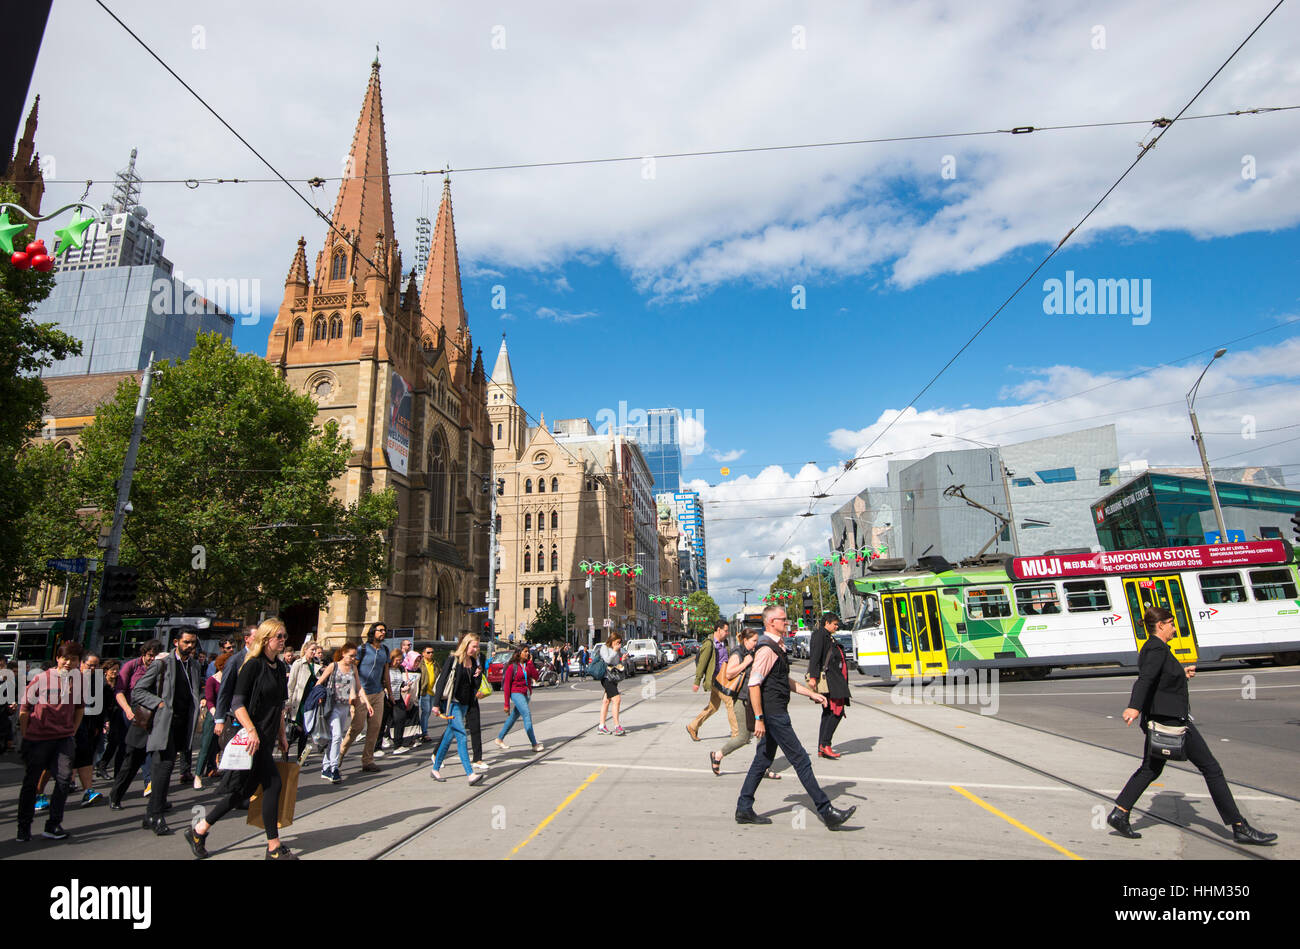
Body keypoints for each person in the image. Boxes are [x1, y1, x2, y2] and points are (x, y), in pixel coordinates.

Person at [1107, 607, 1277, 845]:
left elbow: (1160, 678)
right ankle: (1239, 826)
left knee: (1151, 769)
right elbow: (1145, 679)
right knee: (1211, 768)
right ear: (1162, 625)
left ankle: (1120, 812)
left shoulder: (1153, 647)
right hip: (1171, 721)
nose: (1175, 629)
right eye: (1172, 624)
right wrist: (1133, 707)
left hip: (1163, 718)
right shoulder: (1156, 648)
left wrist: (1181, 673)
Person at [735, 605, 855, 830]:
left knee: (762, 760)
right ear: (771, 623)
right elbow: (753, 685)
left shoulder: (776, 647)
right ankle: (826, 811)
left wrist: (811, 693)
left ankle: (744, 807)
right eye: (783, 619)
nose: (787, 621)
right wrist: (759, 718)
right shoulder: (766, 649)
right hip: (774, 715)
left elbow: (783, 680)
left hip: (776, 711)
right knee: (801, 759)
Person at [186, 617, 296, 860]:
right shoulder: (252, 665)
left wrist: (281, 735)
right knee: (273, 784)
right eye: (279, 637)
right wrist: (252, 730)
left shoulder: (279, 668)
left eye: (285, 637)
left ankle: (199, 829)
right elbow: (237, 703)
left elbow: (278, 705)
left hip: (266, 736)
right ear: (266, 639)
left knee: (243, 791)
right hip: (250, 737)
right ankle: (273, 847)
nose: (284, 641)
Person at [127, 627, 202, 835]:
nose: (190, 646)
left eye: (193, 643)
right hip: (164, 724)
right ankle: (155, 814)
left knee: (166, 767)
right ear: (176, 642)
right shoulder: (162, 663)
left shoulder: (194, 666)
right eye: (186, 642)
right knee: (164, 767)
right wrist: (159, 703)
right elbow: (138, 691)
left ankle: (150, 813)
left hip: (182, 724)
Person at [15, 641, 86, 842]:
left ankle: (53, 824)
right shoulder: (41, 678)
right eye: (65, 658)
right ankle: (24, 826)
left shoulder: (79, 680)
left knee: (64, 781)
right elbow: (24, 708)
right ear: (58, 658)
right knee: (31, 783)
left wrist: (72, 730)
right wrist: (25, 734)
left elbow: (80, 708)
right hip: (38, 739)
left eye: (74, 659)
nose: (69, 662)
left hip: (63, 739)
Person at [708, 627, 780, 780]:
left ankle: (764, 767)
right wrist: (745, 662)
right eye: (754, 641)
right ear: (745, 640)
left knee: (762, 735)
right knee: (743, 737)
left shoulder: (752, 652)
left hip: (755, 699)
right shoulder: (738, 653)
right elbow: (729, 673)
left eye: (757, 641)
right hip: (742, 700)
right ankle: (718, 755)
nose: (756, 644)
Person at [107, 639, 163, 804]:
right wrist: (127, 710)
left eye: (155, 656)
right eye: (150, 656)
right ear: (144, 654)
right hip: (135, 713)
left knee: (154, 756)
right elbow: (120, 691)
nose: (152, 659)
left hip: (154, 716)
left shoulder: (160, 667)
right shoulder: (131, 666)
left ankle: (151, 789)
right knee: (130, 755)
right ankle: (115, 795)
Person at [429, 632, 485, 785]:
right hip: (453, 703)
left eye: (477, 646)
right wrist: (435, 704)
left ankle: (435, 768)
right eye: (474, 646)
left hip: (465, 703)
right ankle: (470, 773)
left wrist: (478, 676)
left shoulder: (473, 662)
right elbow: (442, 682)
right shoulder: (453, 659)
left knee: (448, 736)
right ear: (466, 645)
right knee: (461, 736)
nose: (476, 649)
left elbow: (474, 686)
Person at [339, 622, 390, 772]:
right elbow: (353, 669)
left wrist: (390, 693)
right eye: (380, 630)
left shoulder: (385, 650)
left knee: (375, 728)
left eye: (384, 630)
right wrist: (352, 691)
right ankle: (339, 754)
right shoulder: (362, 649)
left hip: (378, 693)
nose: (383, 633)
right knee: (357, 727)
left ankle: (367, 760)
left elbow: (385, 672)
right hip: (362, 694)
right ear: (373, 632)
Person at [315, 642, 364, 783]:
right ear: (343, 653)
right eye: (351, 655)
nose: (353, 658)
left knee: (333, 738)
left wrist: (365, 702)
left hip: (345, 707)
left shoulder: (353, 668)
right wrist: (318, 697)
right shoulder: (333, 666)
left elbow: (358, 686)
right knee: (337, 737)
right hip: (332, 705)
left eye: (355, 656)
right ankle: (334, 768)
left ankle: (325, 767)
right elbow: (319, 683)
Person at [806, 612, 851, 759]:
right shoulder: (820, 635)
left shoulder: (827, 635)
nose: (837, 627)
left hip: (834, 679)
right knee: (835, 711)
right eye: (835, 624)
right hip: (830, 680)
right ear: (827, 623)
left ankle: (822, 746)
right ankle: (825, 745)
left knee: (828, 712)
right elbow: (815, 657)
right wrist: (813, 677)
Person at [686, 619, 738, 742]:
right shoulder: (709, 644)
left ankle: (693, 726)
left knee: (713, 707)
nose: (727, 633)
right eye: (725, 631)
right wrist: (697, 682)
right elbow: (702, 664)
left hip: (724, 678)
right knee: (730, 702)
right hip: (715, 679)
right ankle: (736, 734)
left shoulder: (724, 643)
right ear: (718, 630)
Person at [495, 646, 543, 752]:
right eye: (525, 652)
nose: (527, 654)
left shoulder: (527, 665)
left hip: (526, 694)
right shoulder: (512, 667)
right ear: (519, 653)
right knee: (526, 714)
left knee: (513, 717)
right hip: (516, 693)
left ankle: (500, 738)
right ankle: (534, 743)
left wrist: (530, 663)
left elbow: (536, 677)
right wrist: (506, 704)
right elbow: (507, 685)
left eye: (528, 652)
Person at [195, 651, 231, 782]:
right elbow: (209, 700)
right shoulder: (212, 680)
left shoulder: (231, 680)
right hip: (213, 716)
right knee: (206, 746)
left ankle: (215, 769)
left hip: (227, 716)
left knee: (221, 746)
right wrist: (216, 715)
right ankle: (198, 775)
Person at [287, 640, 323, 761]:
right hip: (299, 701)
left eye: (315, 650)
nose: (314, 652)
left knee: (305, 732)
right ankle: (285, 751)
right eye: (312, 650)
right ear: (305, 650)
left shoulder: (316, 664)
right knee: (296, 730)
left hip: (310, 702)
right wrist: (288, 702)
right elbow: (291, 684)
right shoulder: (298, 663)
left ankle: (300, 759)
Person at [383, 649, 416, 753]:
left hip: (397, 697)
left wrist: (405, 685)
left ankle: (398, 745)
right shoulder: (386, 669)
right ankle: (378, 744)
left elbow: (400, 682)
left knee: (400, 719)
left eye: (401, 660)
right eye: (397, 660)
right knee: (384, 721)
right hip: (387, 698)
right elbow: (383, 682)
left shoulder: (400, 669)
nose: (399, 662)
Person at [595, 634, 629, 735]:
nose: (618, 644)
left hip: (613, 677)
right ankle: (617, 726)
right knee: (617, 699)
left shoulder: (618, 651)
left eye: (619, 643)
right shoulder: (604, 648)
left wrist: (623, 659)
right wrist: (614, 650)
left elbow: (617, 665)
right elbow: (607, 660)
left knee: (606, 701)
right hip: (606, 677)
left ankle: (601, 726)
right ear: (612, 640)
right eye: (616, 642)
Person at [416, 644, 439, 742]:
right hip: (424, 692)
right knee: (426, 711)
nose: (430, 654)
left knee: (428, 712)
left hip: (433, 692)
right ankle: (424, 732)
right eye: (428, 652)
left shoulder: (435, 663)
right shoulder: (420, 664)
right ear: (423, 653)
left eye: (432, 652)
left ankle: (421, 731)